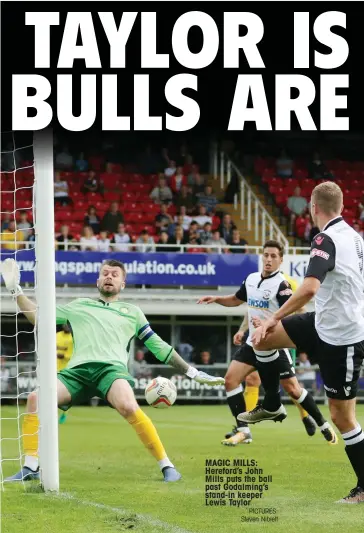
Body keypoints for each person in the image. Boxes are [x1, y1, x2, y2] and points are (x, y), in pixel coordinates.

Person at [1, 258, 224, 483]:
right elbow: (39, 317)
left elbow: (159, 346)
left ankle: (167, 465)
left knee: (128, 406)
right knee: (34, 399)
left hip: (111, 370)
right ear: (97, 280)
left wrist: (192, 372)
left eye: (115, 274)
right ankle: (31, 467)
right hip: (77, 372)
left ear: (123, 284)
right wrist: (15, 291)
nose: (109, 276)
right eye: (105, 273)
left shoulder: (133, 312)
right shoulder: (79, 306)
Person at [243, 182, 364, 504]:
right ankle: (271, 403)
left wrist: (273, 317)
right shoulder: (355, 237)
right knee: (263, 341)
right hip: (323, 322)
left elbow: (309, 288)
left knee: (343, 418)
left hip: (342, 337)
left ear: (313, 207)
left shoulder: (326, 239)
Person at [197, 240, 337, 447]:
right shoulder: (252, 279)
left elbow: (291, 315)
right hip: (253, 344)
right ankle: (244, 431)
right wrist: (217, 298)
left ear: (281, 259)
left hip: (273, 344)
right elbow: (237, 300)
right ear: (261, 257)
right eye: (266, 255)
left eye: (273, 256)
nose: (269, 259)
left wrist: (269, 325)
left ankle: (323, 423)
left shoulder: (283, 285)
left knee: (293, 389)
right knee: (230, 381)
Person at [56, 324, 73, 424]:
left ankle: (64, 413)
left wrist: (62, 355)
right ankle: (55, 413)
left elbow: (71, 354)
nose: (66, 326)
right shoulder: (57, 335)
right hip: (54, 367)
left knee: (66, 392)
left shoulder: (72, 338)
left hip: (66, 368)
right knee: (54, 392)